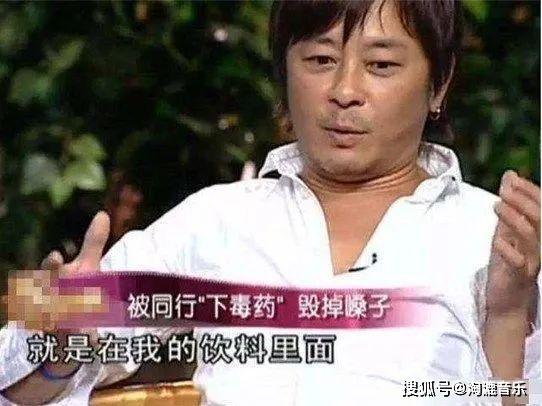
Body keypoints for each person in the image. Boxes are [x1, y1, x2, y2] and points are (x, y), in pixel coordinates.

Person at [1, 1, 540, 405]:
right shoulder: (219, 219)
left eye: (380, 65)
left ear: (438, 84)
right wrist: (58, 348)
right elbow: (13, 385)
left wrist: (509, 317)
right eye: (320, 59)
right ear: (284, 75)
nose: (344, 90)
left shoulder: (499, 240)